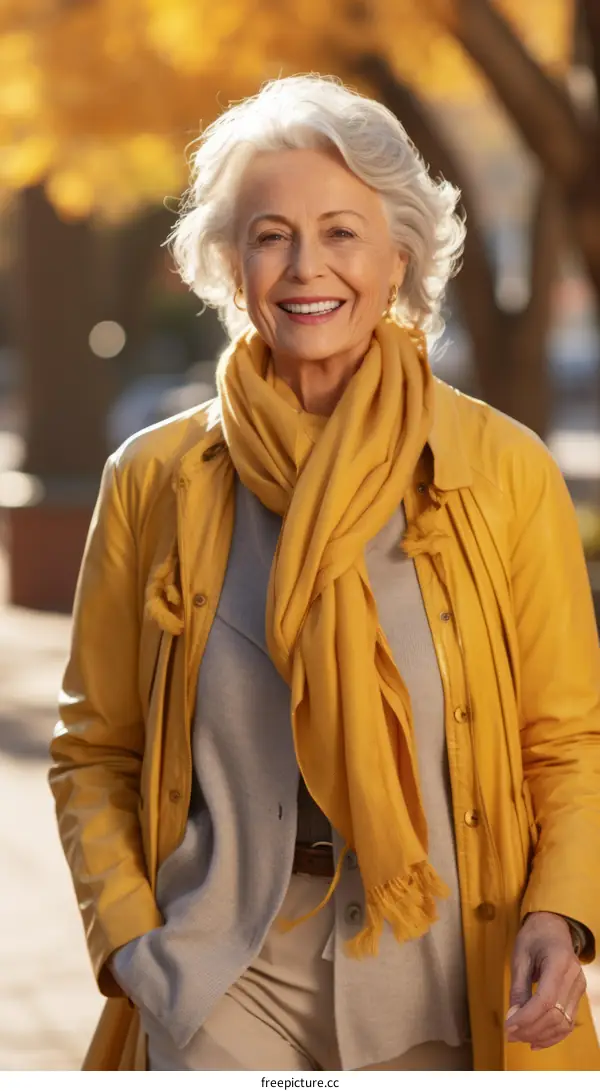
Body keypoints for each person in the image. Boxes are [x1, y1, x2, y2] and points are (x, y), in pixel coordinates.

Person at [49, 75, 600, 1073]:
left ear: (400, 258)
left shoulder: (504, 471)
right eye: (271, 236)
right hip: (219, 977)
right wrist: (130, 941)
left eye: (342, 232)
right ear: (232, 264)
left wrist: (560, 911)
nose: (307, 267)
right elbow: (94, 747)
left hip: (448, 974)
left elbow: (567, 739)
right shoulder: (154, 479)